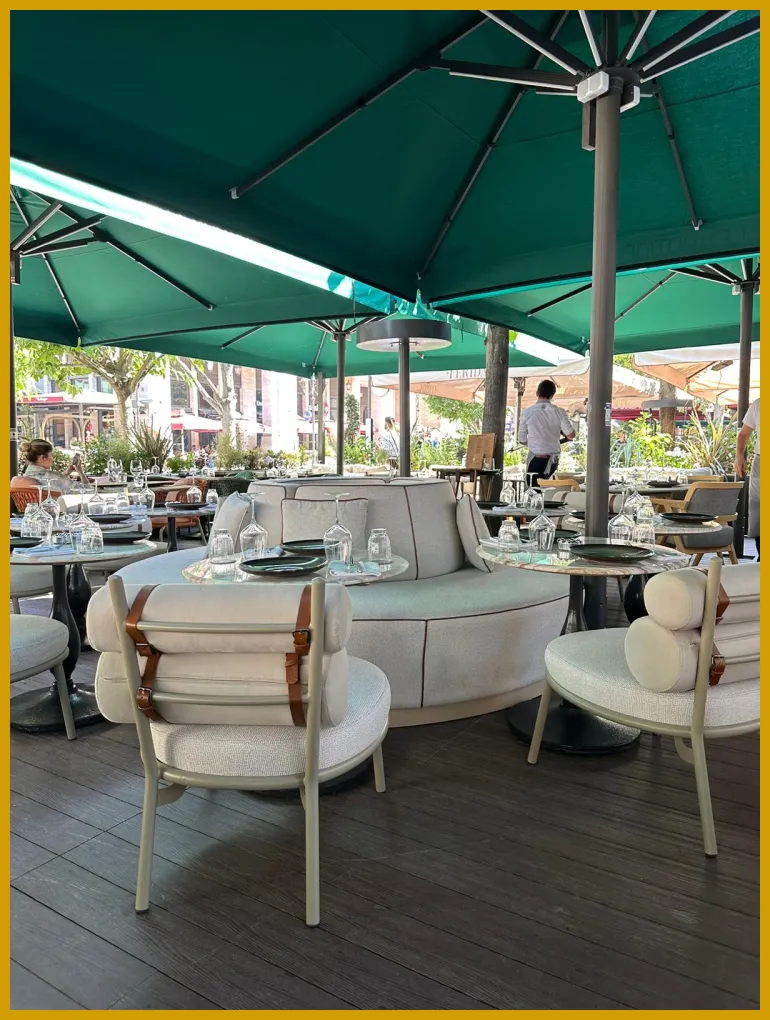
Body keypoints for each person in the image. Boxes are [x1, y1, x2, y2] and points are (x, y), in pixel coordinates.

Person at [517, 380, 575, 482]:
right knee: (547, 487)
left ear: (537, 393)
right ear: (552, 395)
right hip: (553, 459)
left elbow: (521, 439)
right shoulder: (559, 412)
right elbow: (571, 435)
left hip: (535, 458)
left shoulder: (527, 413)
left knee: (533, 488)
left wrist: (533, 443)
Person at [735, 397, 760, 560]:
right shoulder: (759, 404)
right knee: (758, 512)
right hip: (762, 462)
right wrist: (739, 456)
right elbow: (743, 434)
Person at [19, 438, 89, 493]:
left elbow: (53, 482)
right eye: (51, 456)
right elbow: (87, 492)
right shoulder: (54, 477)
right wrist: (80, 472)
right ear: (42, 458)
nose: (53, 459)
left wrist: (65, 474)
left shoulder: (25, 478)